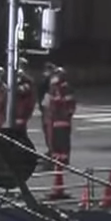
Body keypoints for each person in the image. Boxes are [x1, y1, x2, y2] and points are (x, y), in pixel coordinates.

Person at [42, 67, 76, 200]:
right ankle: (58, 184)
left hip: (57, 124)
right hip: (62, 124)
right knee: (60, 154)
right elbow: (71, 108)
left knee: (58, 153)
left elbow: (46, 106)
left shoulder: (56, 89)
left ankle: (58, 185)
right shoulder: (65, 89)